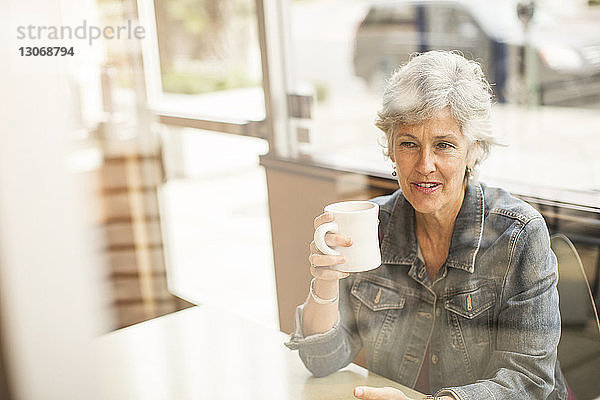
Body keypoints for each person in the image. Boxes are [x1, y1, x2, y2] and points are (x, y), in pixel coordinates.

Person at [285, 51, 570, 400]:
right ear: (390, 149)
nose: (424, 164)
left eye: (444, 145)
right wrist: (325, 282)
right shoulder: (371, 227)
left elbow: (530, 380)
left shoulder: (519, 236)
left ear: (473, 150)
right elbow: (320, 360)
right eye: (409, 143)